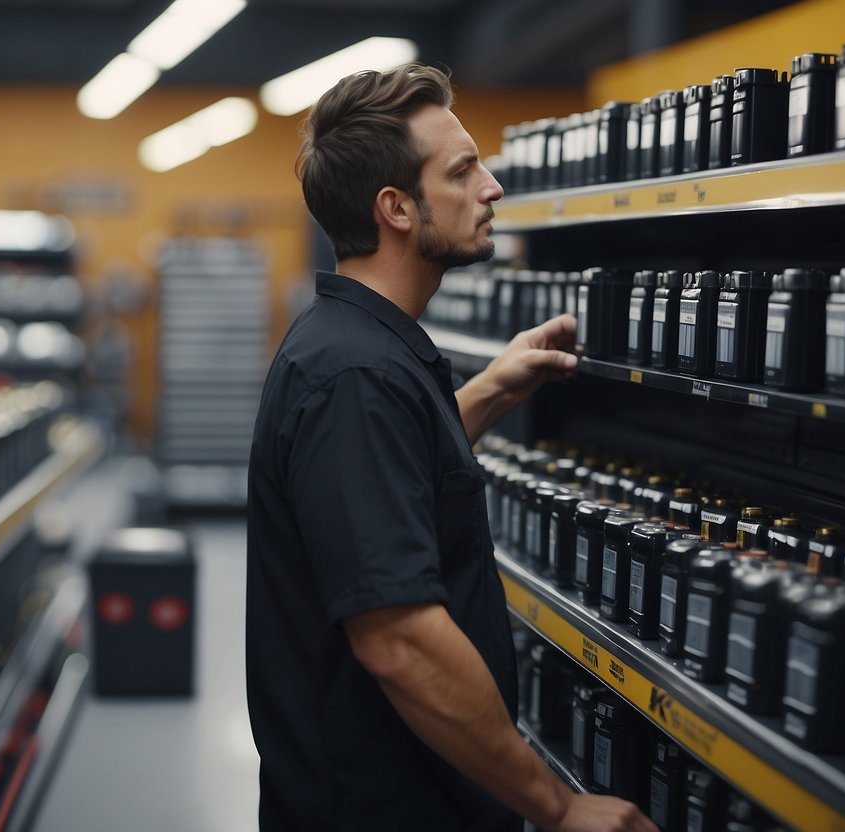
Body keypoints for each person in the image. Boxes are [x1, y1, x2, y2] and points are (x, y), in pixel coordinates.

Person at [246, 63, 656, 832]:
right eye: (463, 170)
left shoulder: (355, 345)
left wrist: (492, 389)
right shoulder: (354, 377)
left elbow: (390, 477)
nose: (491, 187)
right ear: (396, 207)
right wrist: (557, 806)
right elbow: (400, 639)